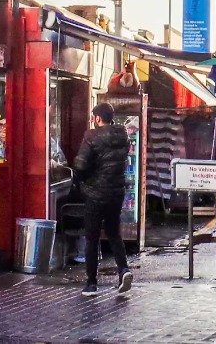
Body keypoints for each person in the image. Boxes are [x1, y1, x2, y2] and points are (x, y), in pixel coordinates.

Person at [73, 102, 133, 296]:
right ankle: (124, 269)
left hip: (95, 193)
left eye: (94, 117)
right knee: (114, 233)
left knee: (92, 238)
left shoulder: (91, 136)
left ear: (98, 118)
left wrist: (79, 181)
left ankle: (91, 284)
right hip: (116, 193)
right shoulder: (122, 136)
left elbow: (80, 165)